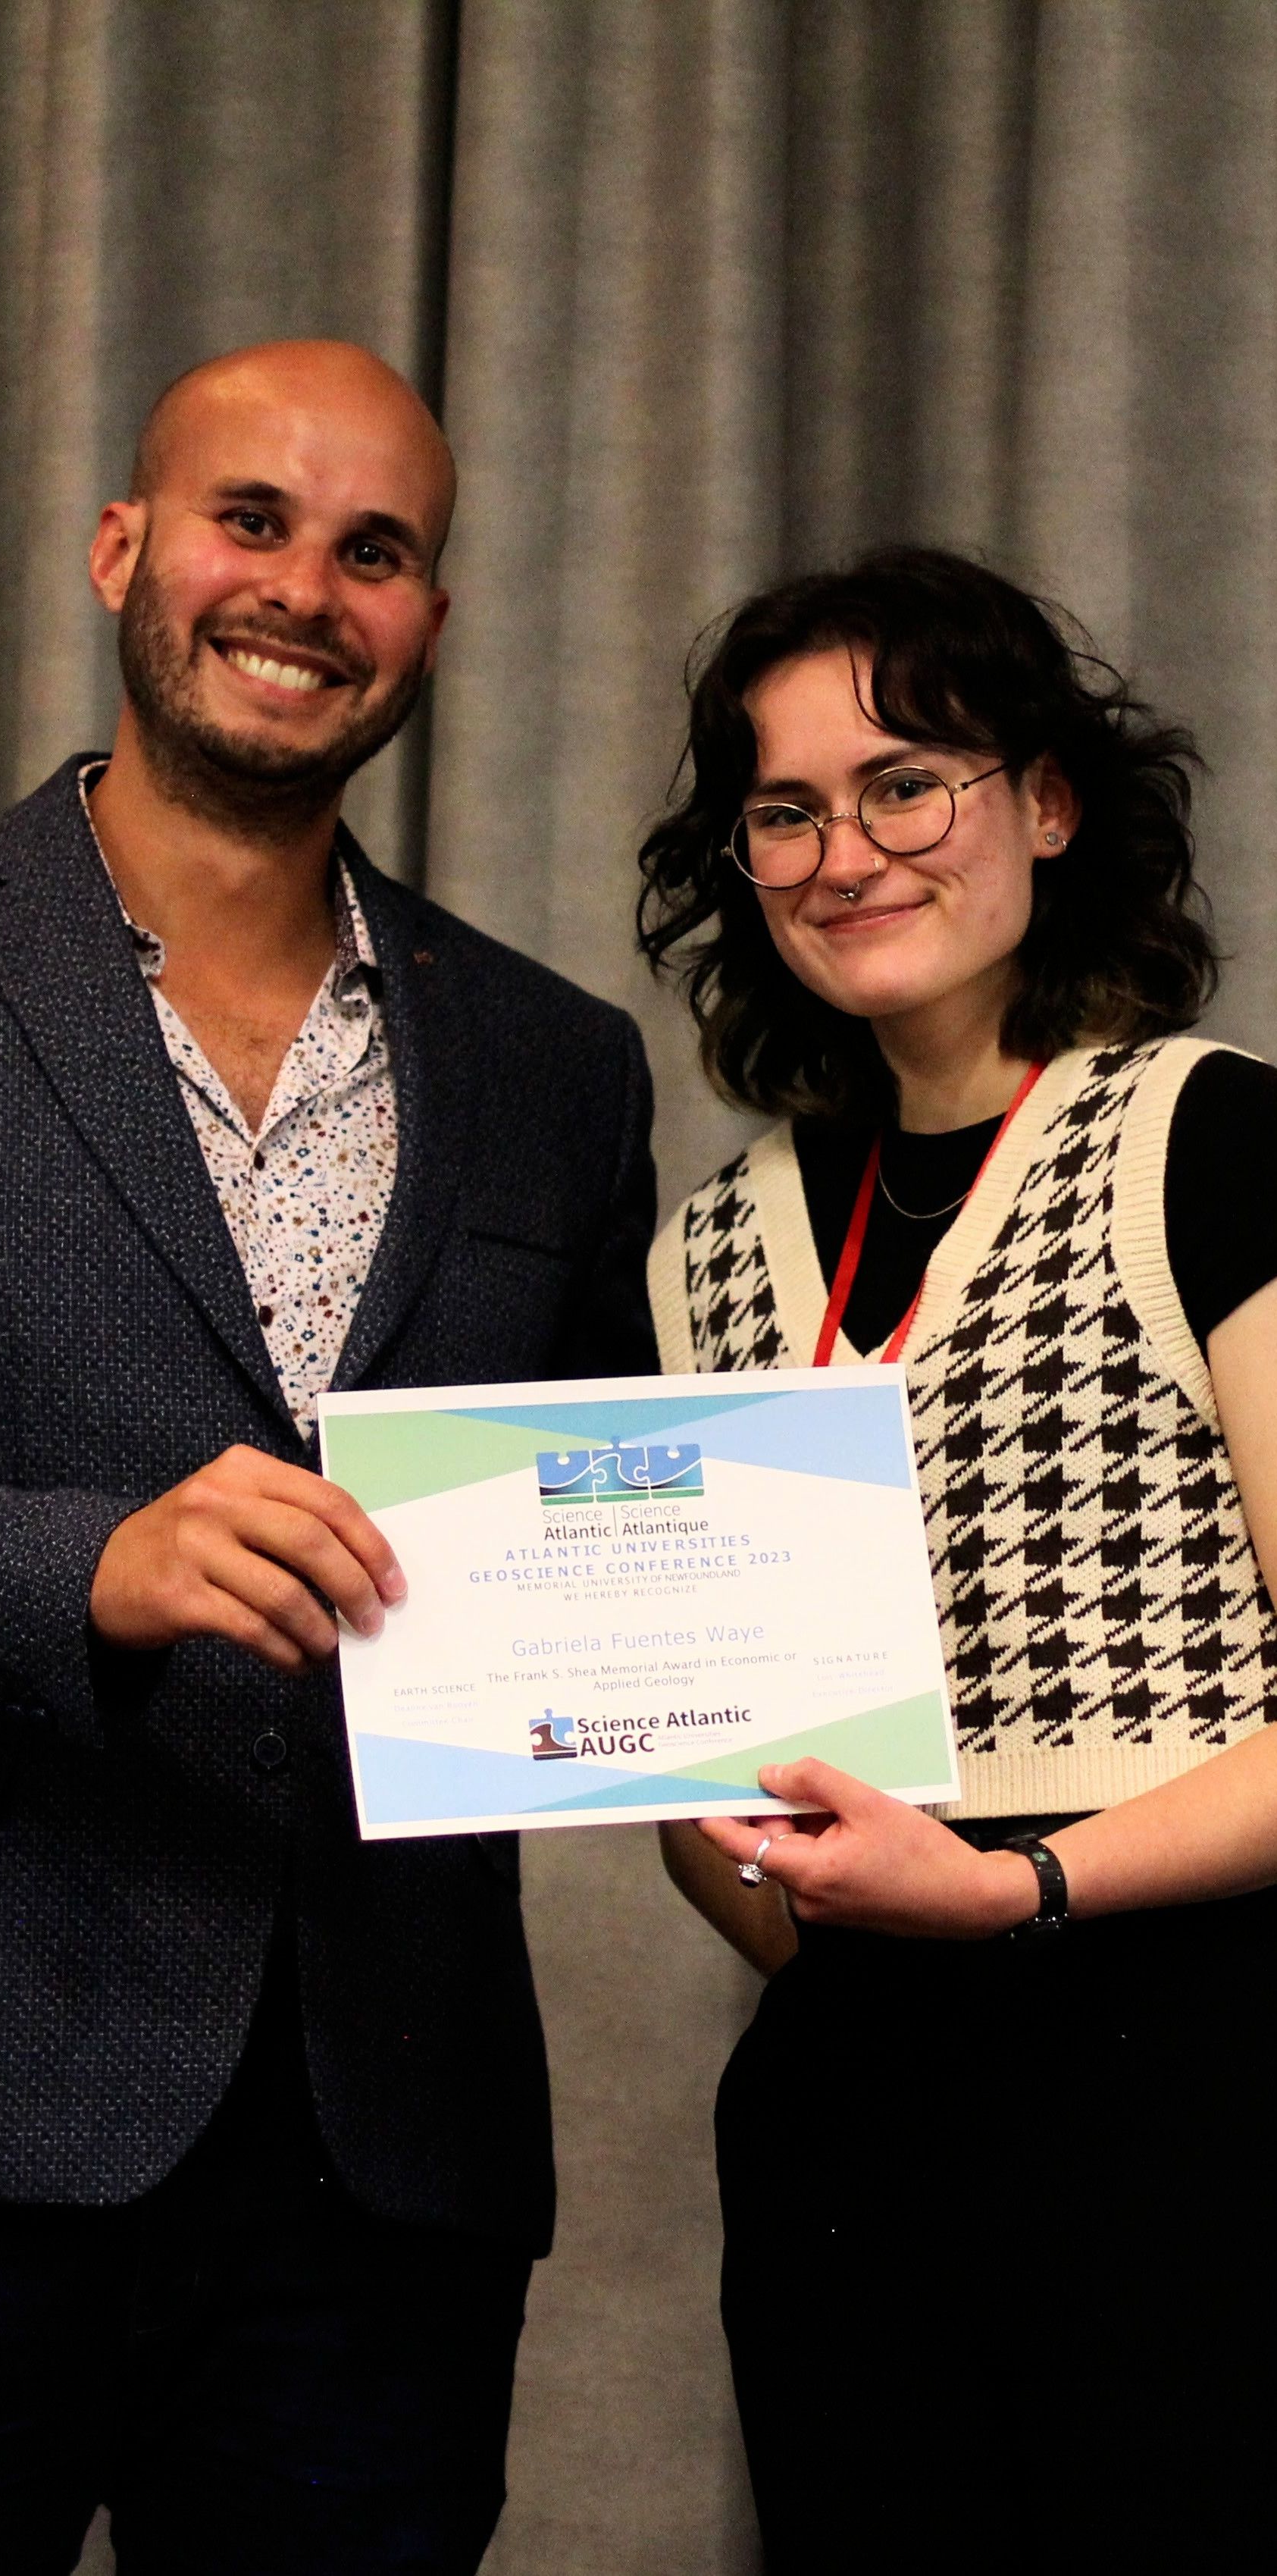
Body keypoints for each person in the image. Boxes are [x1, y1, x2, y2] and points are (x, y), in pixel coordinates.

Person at [0, 338, 656, 2576]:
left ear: (430, 618)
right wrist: (72, 1569)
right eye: (251, 519)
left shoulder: (554, 1062)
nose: (306, 591)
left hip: (386, 2166)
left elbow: (603, 1538)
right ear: (119, 547)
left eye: (378, 550)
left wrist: (728, 1719)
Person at [639, 547, 1277, 2570]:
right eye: (786, 811)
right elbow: (697, 1772)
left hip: (1194, 2097)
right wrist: (766, 1861)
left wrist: (1013, 1893)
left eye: (904, 782)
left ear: (1048, 804)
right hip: (846, 2122)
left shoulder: (1211, 1142)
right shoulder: (707, 1249)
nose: (847, 854)